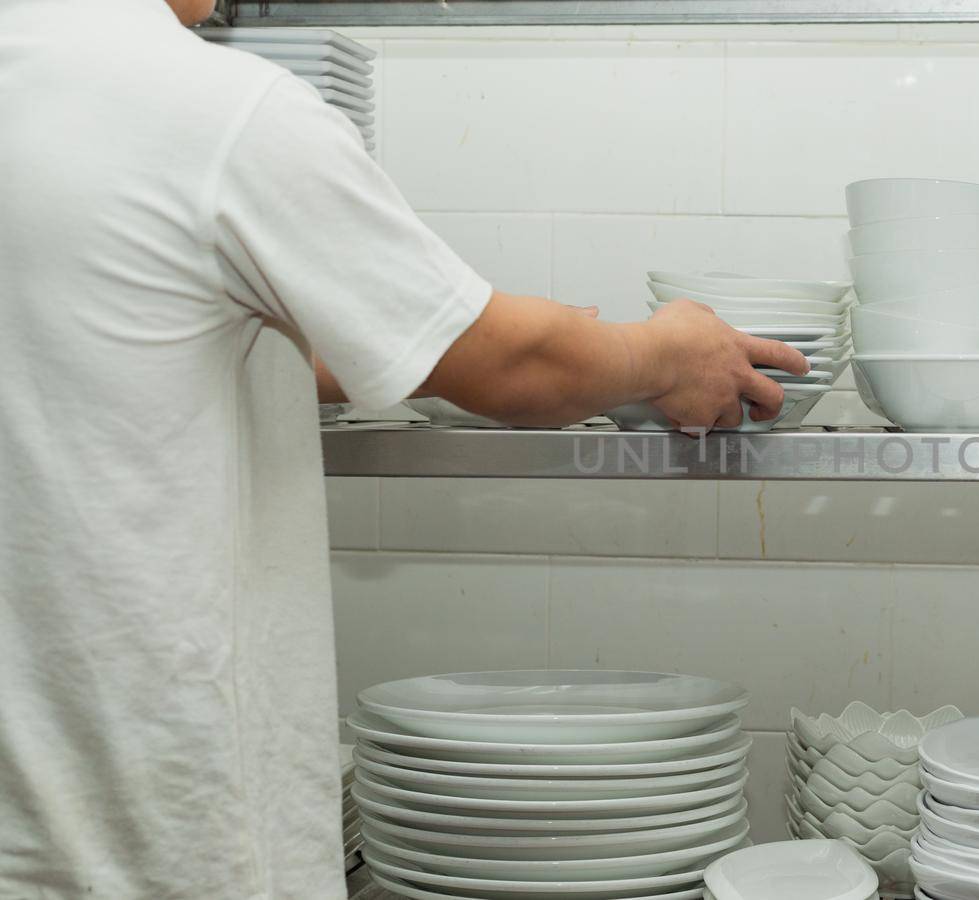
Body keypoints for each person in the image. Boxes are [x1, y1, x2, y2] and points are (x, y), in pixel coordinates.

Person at [0, 0, 808, 897]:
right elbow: (518, 364)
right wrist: (665, 351)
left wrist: (412, 342)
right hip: (155, 831)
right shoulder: (212, 111)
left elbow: (131, 343)